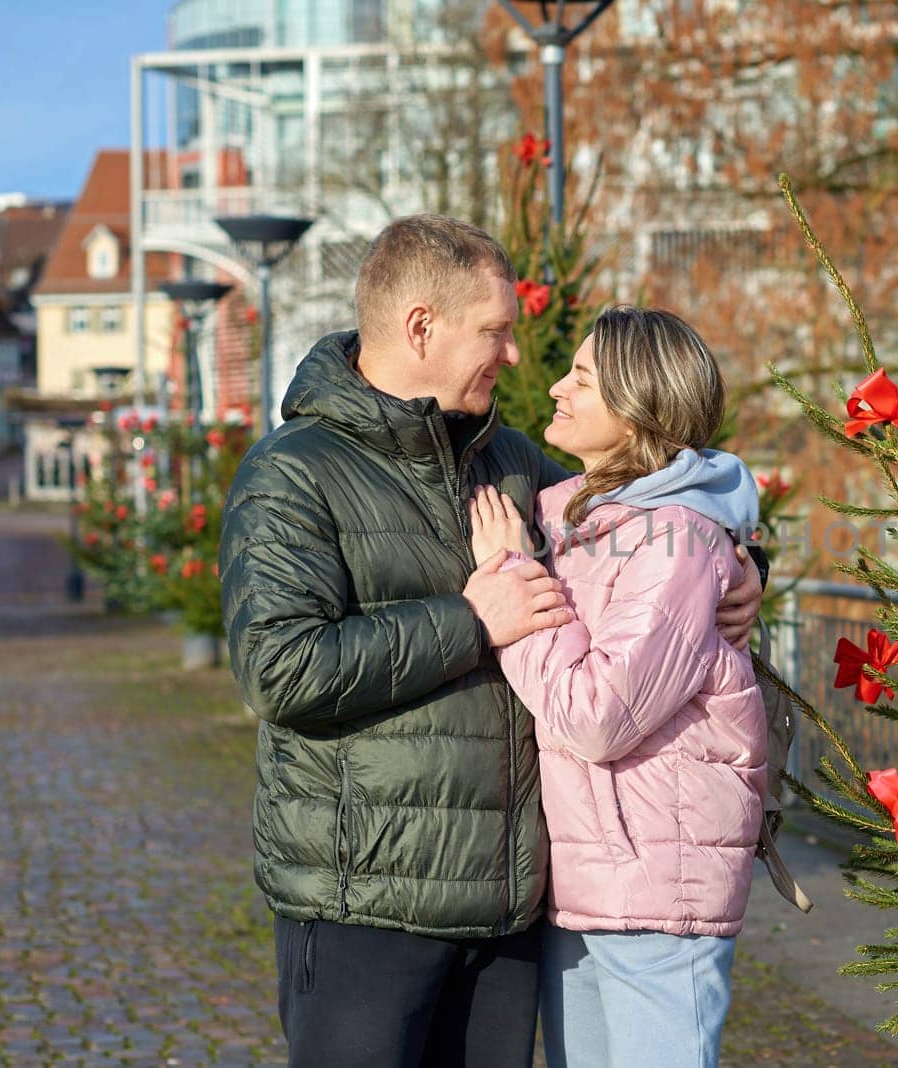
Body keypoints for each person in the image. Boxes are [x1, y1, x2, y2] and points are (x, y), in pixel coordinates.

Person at [218, 215, 763, 1068]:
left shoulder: (509, 457)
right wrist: (474, 622)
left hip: (510, 907)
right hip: (367, 903)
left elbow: (656, 505)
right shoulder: (295, 471)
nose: (515, 355)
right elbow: (281, 670)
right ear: (422, 327)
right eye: (496, 333)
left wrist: (743, 559)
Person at [468, 305, 768, 1068]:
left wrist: (512, 583)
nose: (559, 389)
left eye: (584, 378)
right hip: (586, 884)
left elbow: (597, 716)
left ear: (639, 405)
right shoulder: (589, 522)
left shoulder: (680, 542)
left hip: (658, 896)